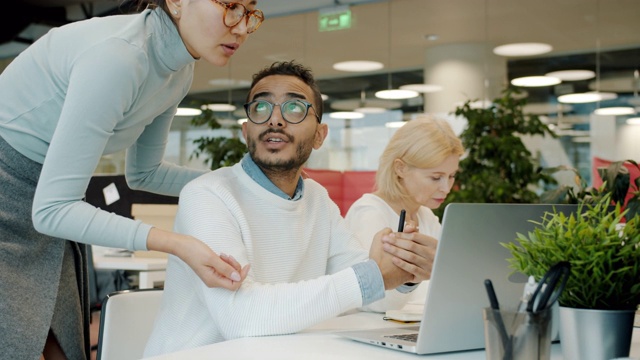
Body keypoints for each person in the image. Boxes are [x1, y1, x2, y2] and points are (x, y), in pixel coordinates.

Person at [0, 1, 263, 358]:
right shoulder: (120, 58)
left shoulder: (178, 71)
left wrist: (239, 182)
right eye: (231, 6)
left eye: (250, 12)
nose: (242, 27)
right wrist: (177, 243)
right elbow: (53, 209)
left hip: (45, 204)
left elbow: (144, 173)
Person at [143, 60, 438, 357]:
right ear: (246, 132)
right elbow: (241, 317)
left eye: (294, 108)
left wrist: (403, 270)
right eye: (261, 108)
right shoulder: (207, 195)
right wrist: (371, 277)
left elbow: (371, 299)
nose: (275, 120)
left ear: (320, 136)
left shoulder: (317, 199)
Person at [344, 116, 464, 312]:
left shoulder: (425, 216)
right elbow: (371, 301)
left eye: (451, 176)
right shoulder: (369, 214)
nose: (446, 188)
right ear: (400, 168)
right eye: (436, 177)